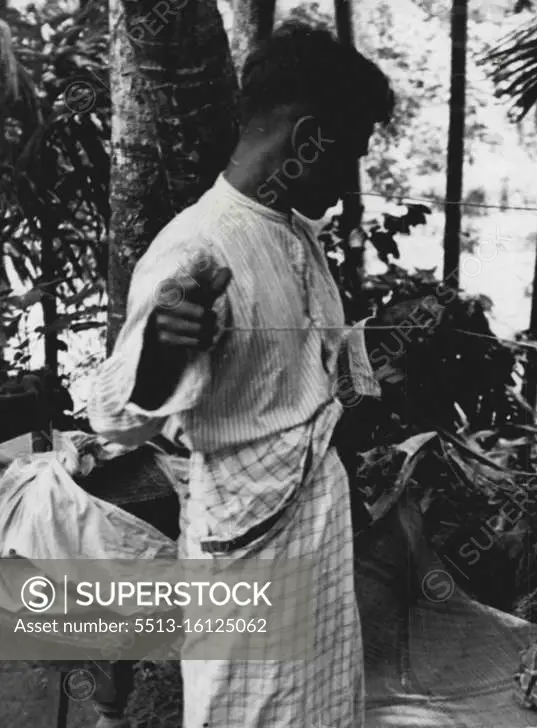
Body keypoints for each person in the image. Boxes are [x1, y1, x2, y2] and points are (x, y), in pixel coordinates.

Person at [87, 23, 436, 728]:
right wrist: (159, 349)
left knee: (320, 708)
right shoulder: (196, 246)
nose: (350, 179)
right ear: (308, 136)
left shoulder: (293, 233)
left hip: (315, 526)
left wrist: (382, 342)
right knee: (247, 713)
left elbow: (306, 374)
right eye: (351, 153)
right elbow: (122, 418)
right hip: (247, 544)